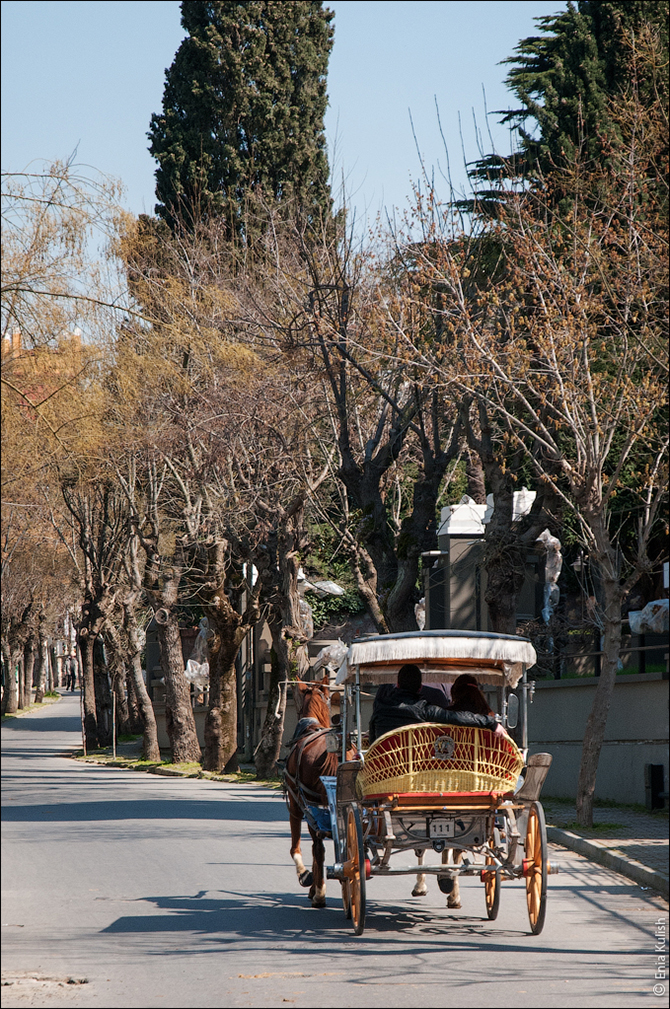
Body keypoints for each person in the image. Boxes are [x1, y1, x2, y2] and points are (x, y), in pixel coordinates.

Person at [368, 664, 501, 743]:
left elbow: (373, 742)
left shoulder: (380, 711)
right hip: (416, 770)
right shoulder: (426, 710)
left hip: (384, 773)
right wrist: (490, 722)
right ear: (420, 687)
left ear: (397, 684)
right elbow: (457, 717)